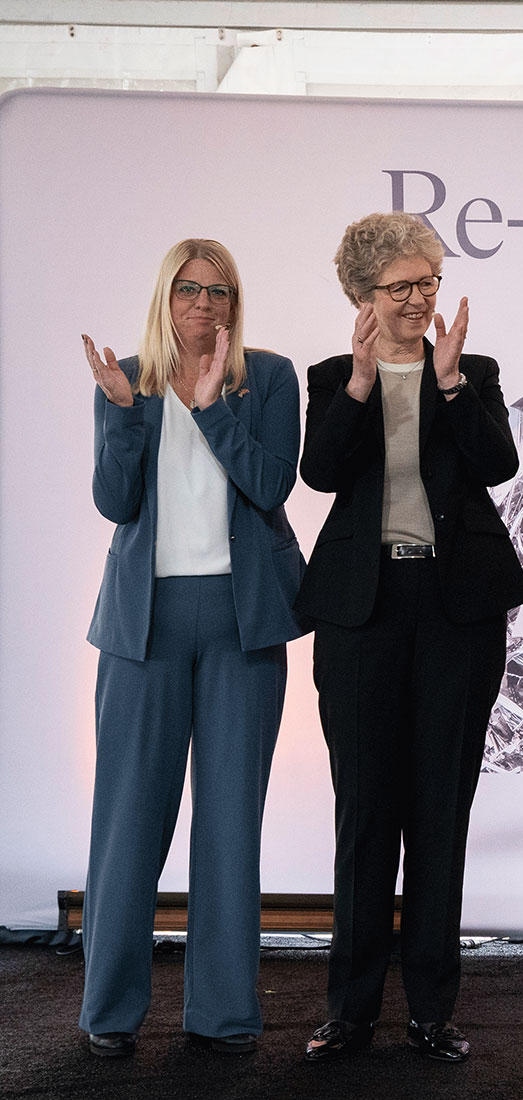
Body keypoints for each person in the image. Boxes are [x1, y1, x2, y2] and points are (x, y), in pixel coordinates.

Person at [295, 212, 523, 1063]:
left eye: (428, 282)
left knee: (440, 810)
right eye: (401, 287)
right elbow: (320, 472)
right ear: (362, 295)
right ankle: (349, 1011)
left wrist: (452, 380)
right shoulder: (330, 377)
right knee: (365, 811)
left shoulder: (474, 371)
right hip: (361, 609)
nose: (419, 298)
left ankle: (432, 1009)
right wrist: (363, 384)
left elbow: (499, 465)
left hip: (456, 608)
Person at [78, 239, 305, 1058]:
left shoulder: (268, 377)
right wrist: (122, 419)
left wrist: (212, 409)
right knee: (129, 818)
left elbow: (274, 487)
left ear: (235, 303)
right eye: (188, 289)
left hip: (244, 619)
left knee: (230, 821)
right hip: (145, 622)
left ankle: (222, 1013)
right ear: (165, 297)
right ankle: (108, 1011)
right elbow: (114, 501)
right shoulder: (126, 377)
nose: (203, 304)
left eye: (219, 291)